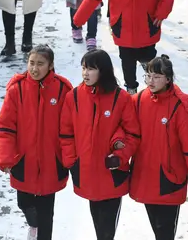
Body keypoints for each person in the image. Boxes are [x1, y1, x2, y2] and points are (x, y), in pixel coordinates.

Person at [59, 49, 141, 240]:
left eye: (91, 69)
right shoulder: (74, 97)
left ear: (103, 71)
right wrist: (73, 162)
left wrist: (119, 158)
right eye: (83, 68)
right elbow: (66, 133)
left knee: (107, 230)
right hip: (86, 172)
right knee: (98, 223)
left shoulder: (121, 98)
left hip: (112, 173)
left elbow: (133, 135)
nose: (85, 73)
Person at [0, 45, 74, 240]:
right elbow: (5, 127)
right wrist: (6, 158)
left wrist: (68, 158)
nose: (34, 68)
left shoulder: (63, 89)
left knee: (47, 212)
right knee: (24, 202)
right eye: (31, 63)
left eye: (40, 64)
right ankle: (33, 225)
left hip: (51, 162)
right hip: (24, 160)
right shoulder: (17, 90)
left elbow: (71, 127)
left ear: (51, 65)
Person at [127, 55, 188, 240]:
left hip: (169, 179)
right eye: (148, 76)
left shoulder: (180, 107)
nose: (151, 81)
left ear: (168, 79)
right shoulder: (139, 100)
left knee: (165, 231)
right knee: (157, 227)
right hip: (145, 176)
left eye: (156, 76)